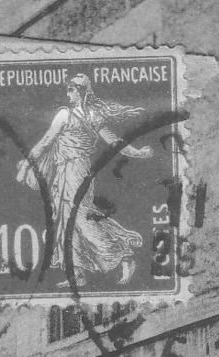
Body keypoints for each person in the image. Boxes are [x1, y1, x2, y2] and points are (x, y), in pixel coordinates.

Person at [18, 73, 154, 286]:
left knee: (80, 218)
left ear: (81, 92)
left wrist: (136, 153)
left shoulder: (78, 115)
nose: (68, 94)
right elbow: (46, 142)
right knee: (63, 221)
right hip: (62, 173)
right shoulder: (72, 114)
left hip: (78, 171)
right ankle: (77, 273)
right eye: (68, 90)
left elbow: (113, 141)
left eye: (72, 90)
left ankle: (123, 257)